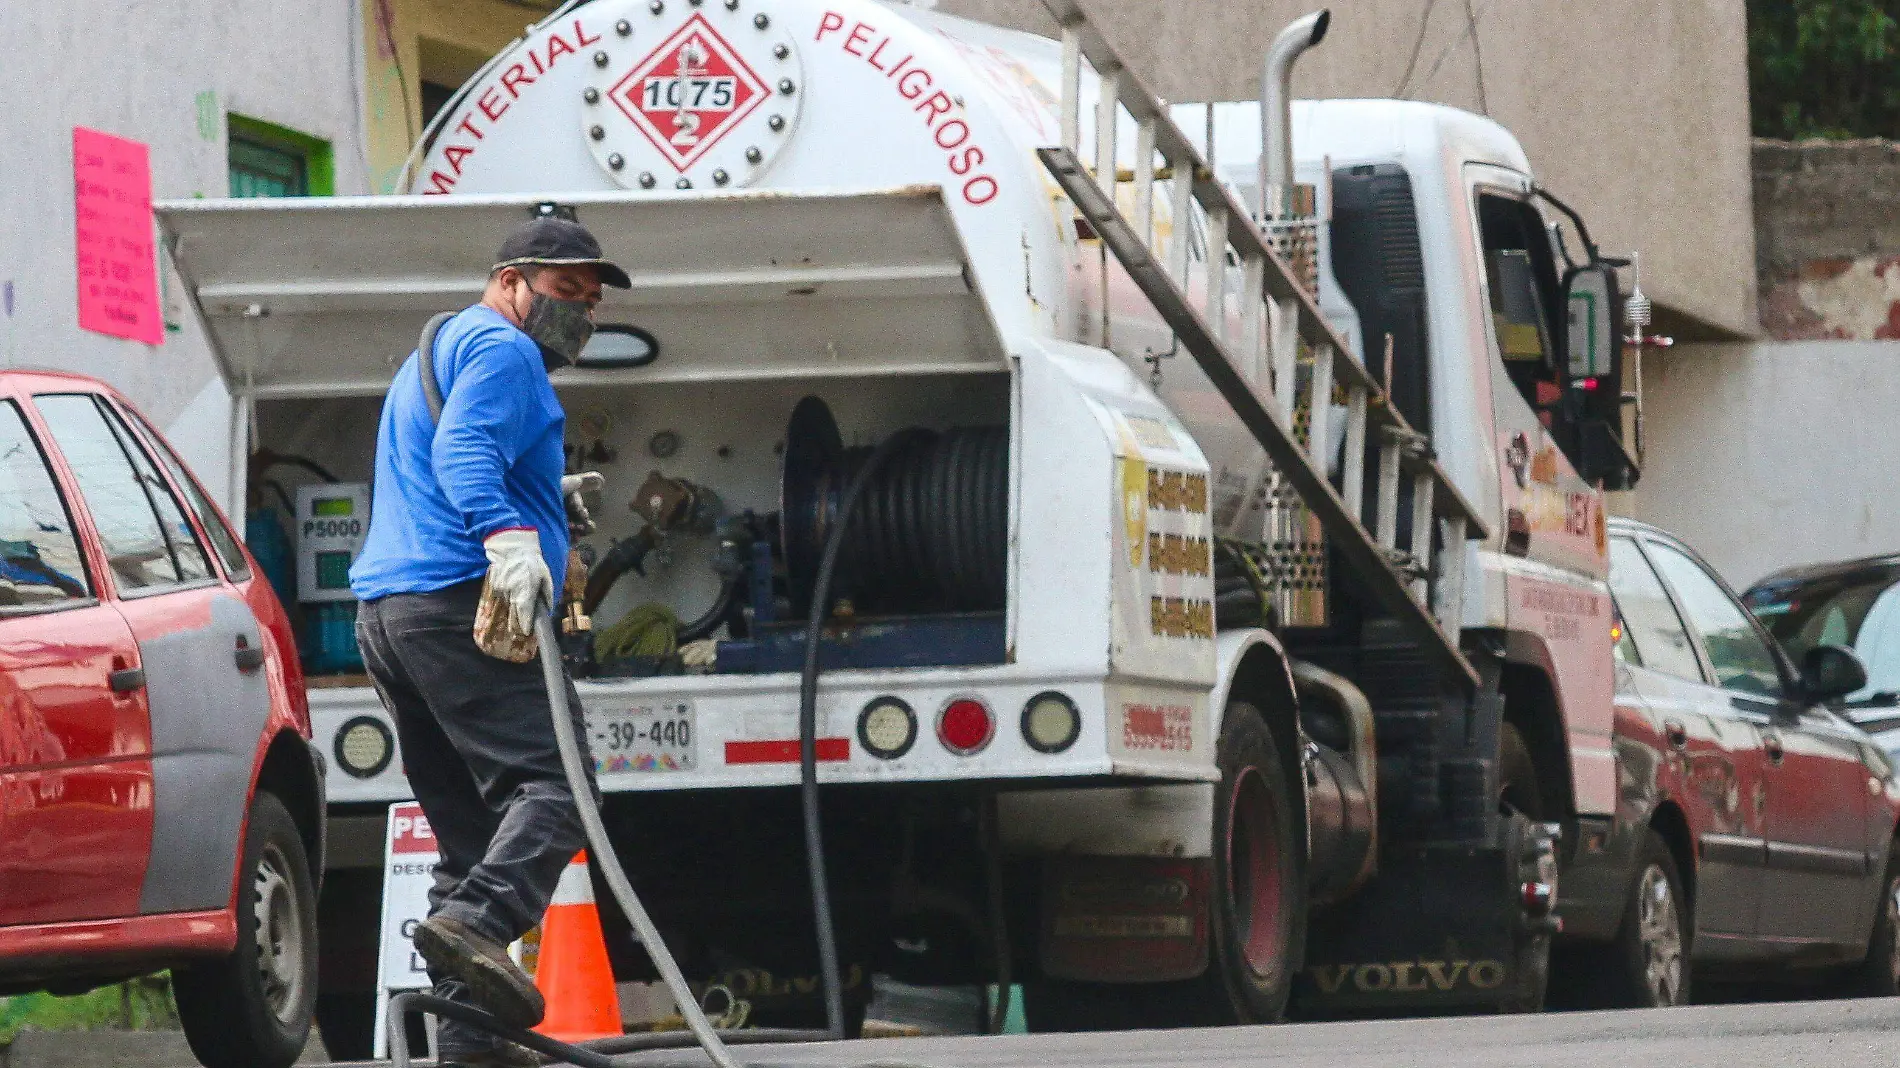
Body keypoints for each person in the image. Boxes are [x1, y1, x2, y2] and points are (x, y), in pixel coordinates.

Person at [349, 215, 630, 1068]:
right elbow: (464, 450)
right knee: (561, 785)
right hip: (453, 602)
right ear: (512, 281)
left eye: (590, 301)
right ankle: (476, 921)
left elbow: (449, 450)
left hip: (390, 617)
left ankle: (471, 1047)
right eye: (562, 293)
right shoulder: (505, 353)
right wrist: (510, 531)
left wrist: (545, 498)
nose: (579, 314)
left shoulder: (441, 345)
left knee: (470, 834)